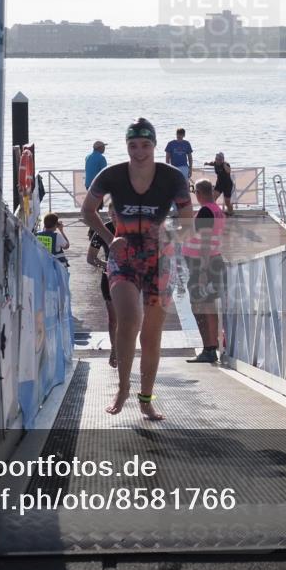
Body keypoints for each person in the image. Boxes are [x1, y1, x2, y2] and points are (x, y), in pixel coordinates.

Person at [82, 117, 193, 421]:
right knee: (129, 320)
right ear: (126, 146)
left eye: (145, 145)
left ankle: (146, 398)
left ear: (155, 146)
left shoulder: (173, 178)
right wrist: (108, 238)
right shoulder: (111, 175)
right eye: (133, 145)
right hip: (124, 255)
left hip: (160, 259)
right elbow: (87, 210)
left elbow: (189, 223)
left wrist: (171, 237)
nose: (139, 151)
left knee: (152, 335)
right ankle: (122, 388)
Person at [183, 179, 227, 364]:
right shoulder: (217, 210)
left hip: (203, 264)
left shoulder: (206, 211)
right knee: (207, 305)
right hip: (214, 260)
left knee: (199, 307)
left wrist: (201, 271)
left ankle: (208, 349)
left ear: (198, 193)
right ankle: (212, 346)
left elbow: (206, 241)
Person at [87, 203, 119, 367]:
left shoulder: (131, 229)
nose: (114, 217)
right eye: (111, 214)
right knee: (114, 319)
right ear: (108, 213)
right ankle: (115, 350)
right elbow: (91, 258)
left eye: (117, 214)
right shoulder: (103, 230)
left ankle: (125, 349)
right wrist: (107, 265)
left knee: (128, 319)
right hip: (109, 278)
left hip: (130, 279)